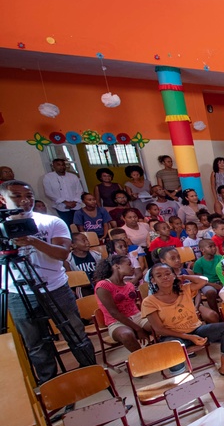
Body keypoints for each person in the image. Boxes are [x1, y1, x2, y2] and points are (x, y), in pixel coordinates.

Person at [0, 181, 96, 381]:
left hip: (55, 287)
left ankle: (91, 373)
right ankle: (49, 384)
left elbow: (62, 254)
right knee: (35, 343)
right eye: (16, 196)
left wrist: (33, 240)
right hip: (17, 292)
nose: (25, 200)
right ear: (3, 199)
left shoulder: (51, 222)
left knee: (75, 333)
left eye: (29, 195)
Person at [140, 263, 224, 379]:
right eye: (159, 276)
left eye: (168, 274)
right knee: (172, 348)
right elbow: (159, 329)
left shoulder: (184, 289)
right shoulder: (149, 302)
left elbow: (204, 281)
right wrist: (189, 337)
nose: (165, 277)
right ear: (153, 281)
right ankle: (182, 380)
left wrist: (184, 277)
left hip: (196, 329)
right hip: (173, 336)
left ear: (174, 276)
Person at [93, 253, 150, 353]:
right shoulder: (103, 285)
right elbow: (114, 312)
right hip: (115, 322)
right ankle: (141, 358)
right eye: (129, 264)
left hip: (137, 316)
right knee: (126, 335)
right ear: (116, 266)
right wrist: (138, 329)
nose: (132, 267)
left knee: (157, 325)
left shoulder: (129, 285)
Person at [42, 158, 85, 227]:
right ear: (53, 166)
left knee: (80, 225)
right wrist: (65, 202)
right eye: (58, 165)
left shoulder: (73, 176)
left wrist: (74, 202)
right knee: (68, 225)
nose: (61, 167)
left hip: (76, 205)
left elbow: (79, 190)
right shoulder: (48, 177)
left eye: (63, 165)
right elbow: (49, 192)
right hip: (61, 206)